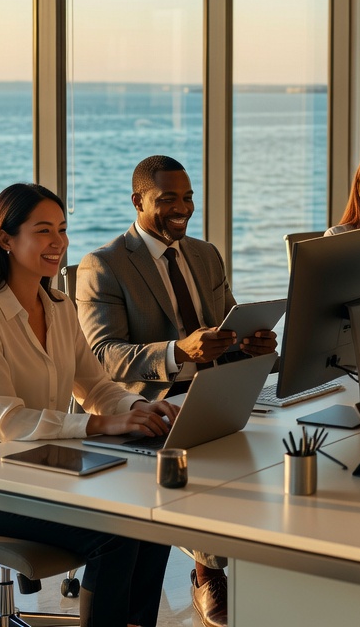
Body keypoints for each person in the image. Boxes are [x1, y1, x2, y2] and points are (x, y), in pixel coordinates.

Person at [0, 183, 178, 627]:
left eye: (63, 229)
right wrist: (99, 427)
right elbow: (7, 423)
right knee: (116, 533)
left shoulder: (58, 305)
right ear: (6, 240)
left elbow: (96, 387)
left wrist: (138, 407)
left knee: (154, 517)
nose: (59, 242)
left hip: (40, 463)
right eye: (43, 231)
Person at [75, 155, 276, 627]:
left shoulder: (205, 255)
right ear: (138, 201)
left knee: (278, 445)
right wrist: (176, 352)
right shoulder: (102, 265)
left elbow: (226, 324)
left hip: (214, 390)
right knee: (212, 458)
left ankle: (271, 566)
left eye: (187, 197)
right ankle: (208, 572)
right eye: (167, 198)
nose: (182, 207)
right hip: (145, 404)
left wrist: (252, 343)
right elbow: (101, 355)